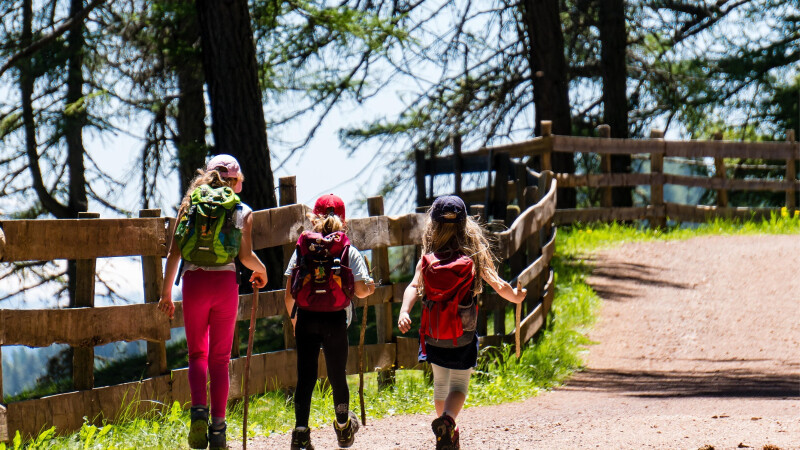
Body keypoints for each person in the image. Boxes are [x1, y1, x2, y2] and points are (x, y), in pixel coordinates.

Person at [398, 195, 526, 450]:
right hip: (463, 334)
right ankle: (448, 421)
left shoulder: (429, 257)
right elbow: (497, 284)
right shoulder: (473, 255)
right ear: (465, 225)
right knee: (458, 386)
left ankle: (446, 428)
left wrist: (404, 310)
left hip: (434, 335)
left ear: (433, 226)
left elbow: (414, 286)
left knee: (440, 385)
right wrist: (516, 296)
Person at [158, 154, 268, 450]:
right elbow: (245, 257)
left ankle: (197, 415)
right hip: (224, 285)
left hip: (194, 283)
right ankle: (218, 430)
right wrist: (262, 270)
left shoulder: (189, 205)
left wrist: (166, 294)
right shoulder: (242, 211)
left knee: (197, 356)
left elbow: (174, 254)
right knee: (220, 360)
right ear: (236, 181)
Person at [284, 194, 375, 450]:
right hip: (335, 320)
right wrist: (370, 287)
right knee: (337, 376)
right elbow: (359, 290)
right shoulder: (348, 250)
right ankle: (344, 428)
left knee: (305, 377)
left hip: (306, 318)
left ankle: (300, 433)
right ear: (343, 220)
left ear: (314, 217)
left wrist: (294, 321)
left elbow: (289, 291)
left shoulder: (302, 249)